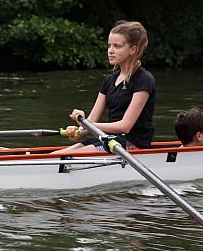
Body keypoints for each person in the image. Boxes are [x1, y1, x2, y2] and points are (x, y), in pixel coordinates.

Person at [55, 21, 155, 153]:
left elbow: (125, 126)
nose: (110, 51)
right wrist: (77, 131)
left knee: (65, 155)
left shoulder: (144, 79)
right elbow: (91, 121)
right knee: (56, 155)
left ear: (133, 50)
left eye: (117, 46)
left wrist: (88, 125)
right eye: (109, 46)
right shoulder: (109, 81)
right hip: (109, 140)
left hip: (133, 143)